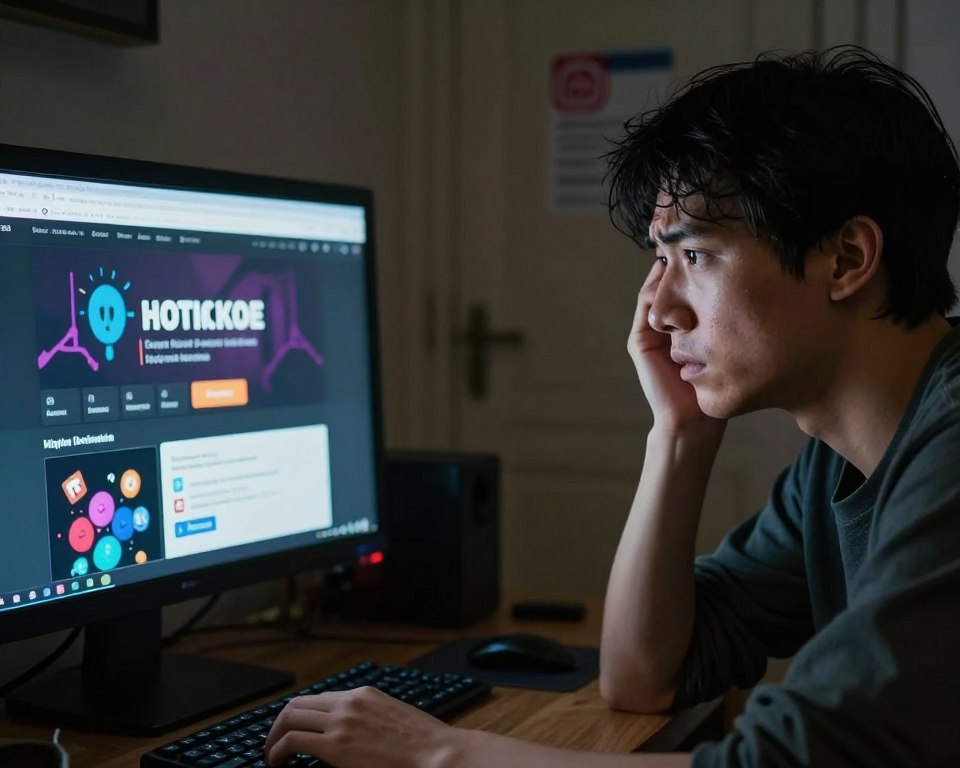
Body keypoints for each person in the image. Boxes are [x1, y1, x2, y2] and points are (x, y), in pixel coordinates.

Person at [264, 45, 960, 768]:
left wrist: (445, 756)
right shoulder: (837, 467)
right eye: (657, 263)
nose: (656, 311)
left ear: (846, 258)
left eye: (693, 256)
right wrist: (679, 435)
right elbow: (644, 677)